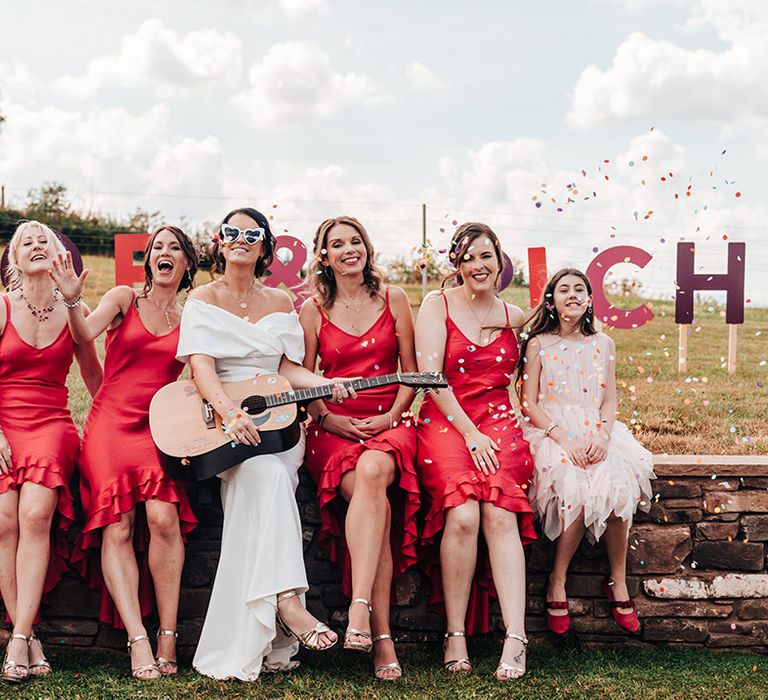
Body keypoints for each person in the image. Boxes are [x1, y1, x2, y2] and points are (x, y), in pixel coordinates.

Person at [176, 207, 350, 681]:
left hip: (274, 422)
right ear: (219, 240)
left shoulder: (279, 301)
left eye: (251, 234)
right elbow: (202, 367)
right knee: (265, 476)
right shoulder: (201, 299)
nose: (240, 239)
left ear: (264, 245)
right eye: (231, 231)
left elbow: (288, 371)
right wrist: (229, 412)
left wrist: (325, 382)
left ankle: (276, 607)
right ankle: (290, 603)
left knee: (270, 472)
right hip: (220, 423)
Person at [50, 225, 199, 680]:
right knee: (119, 522)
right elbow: (81, 337)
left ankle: (168, 635)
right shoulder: (123, 298)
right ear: (148, 259)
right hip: (111, 424)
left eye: (175, 248)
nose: (165, 253)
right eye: (158, 248)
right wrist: (75, 300)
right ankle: (138, 639)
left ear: (187, 263)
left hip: (159, 429)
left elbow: (201, 376)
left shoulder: (192, 317)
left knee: (163, 517)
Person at [300, 216, 419, 681]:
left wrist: (390, 417)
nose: (349, 249)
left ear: (367, 248)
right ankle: (381, 636)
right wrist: (329, 417)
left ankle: (359, 611)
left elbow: (410, 373)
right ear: (323, 257)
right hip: (332, 427)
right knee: (378, 510)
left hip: (390, 421)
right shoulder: (311, 310)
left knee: (373, 472)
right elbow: (305, 382)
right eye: (337, 244)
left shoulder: (395, 299)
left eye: (356, 241)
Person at [414, 223, 536, 681]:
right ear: (457, 264)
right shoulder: (436, 305)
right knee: (463, 514)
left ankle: (516, 638)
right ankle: (454, 634)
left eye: (486, 256)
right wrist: (470, 434)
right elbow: (431, 379)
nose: (478, 265)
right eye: (468, 257)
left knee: (500, 513)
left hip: (500, 419)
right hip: (448, 419)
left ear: (500, 261)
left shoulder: (514, 313)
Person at [517, 268, 655, 635]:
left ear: (591, 299)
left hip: (597, 430)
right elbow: (528, 403)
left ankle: (618, 580)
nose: (573, 294)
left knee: (619, 489)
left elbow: (609, 399)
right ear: (552, 299)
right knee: (575, 491)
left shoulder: (603, 343)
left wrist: (605, 436)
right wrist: (563, 438)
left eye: (580, 289)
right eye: (564, 289)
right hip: (553, 431)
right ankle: (557, 580)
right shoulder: (539, 344)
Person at [0, 221, 102, 683]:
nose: (38, 246)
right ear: (14, 262)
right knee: (4, 521)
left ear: (60, 254)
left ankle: (19, 637)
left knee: (36, 514)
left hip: (50, 425)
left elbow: (98, 381)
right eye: (27, 242)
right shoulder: (1, 306)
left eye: (46, 240)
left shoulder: (72, 310)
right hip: (2, 425)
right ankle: (29, 637)